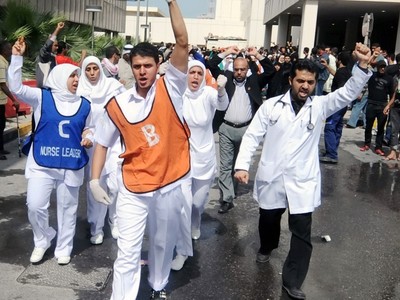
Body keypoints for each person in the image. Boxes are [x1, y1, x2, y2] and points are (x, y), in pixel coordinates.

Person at [234, 43, 372, 300]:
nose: (305, 86)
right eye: (300, 81)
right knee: (269, 222)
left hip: (302, 183)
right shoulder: (272, 106)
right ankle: (267, 245)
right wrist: (242, 165)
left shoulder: (319, 105)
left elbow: (347, 93)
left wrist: (362, 66)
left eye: (310, 82)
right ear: (291, 80)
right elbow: (253, 136)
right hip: (273, 178)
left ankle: (292, 281)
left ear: (315, 83)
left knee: (302, 234)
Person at [89, 0, 189, 298]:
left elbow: (182, 41)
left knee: (161, 244)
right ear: (130, 68)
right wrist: (94, 180)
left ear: (159, 66)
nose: (143, 71)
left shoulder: (172, 87)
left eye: (148, 65)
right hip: (133, 188)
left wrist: (171, 2)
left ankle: (158, 286)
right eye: (137, 66)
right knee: (127, 252)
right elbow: (103, 143)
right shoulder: (118, 103)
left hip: (169, 184)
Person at [8, 37, 94, 265]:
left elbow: (91, 128)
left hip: (71, 164)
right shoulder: (41, 97)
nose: (76, 79)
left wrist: (89, 137)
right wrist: (17, 58)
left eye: (78, 75)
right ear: (59, 77)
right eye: (72, 75)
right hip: (42, 163)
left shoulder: (85, 104)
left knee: (67, 209)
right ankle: (43, 238)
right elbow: (15, 88)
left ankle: (64, 248)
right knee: (35, 205)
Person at [170, 60, 229, 271]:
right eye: (191, 73)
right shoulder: (179, 95)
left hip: (204, 159)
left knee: (197, 203)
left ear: (203, 76)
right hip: (182, 159)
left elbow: (222, 105)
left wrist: (221, 90)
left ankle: (196, 223)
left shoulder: (208, 95)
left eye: (198, 73)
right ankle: (182, 251)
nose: (194, 77)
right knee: (183, 206)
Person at [208, 45, 275, 214]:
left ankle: (233, 187)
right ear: (233, 69)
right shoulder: (226, 78)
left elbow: (270, 70)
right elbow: (211, 65)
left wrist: (257, 55)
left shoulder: (254, 81)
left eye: (242, 70)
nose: (239, 73)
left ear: (247, 70)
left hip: (246, 130)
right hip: (226, 128)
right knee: (225, 165)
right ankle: (226, 198)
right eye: (236, 69)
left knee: (238, 164)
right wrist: (227, 52)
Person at [76, 56, 125, 244]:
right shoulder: (79, 90)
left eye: (95, 69)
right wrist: (85, 134)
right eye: (87, 70)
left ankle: (115, 221)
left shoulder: (113, 87)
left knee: (116, 184)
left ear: (100, 69)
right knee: (96, 186)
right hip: (92, 143)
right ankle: (96, 227)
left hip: (113, 142)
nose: (92, 73)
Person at [320, 51, 352, 164]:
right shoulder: (346, 71)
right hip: (343, 105)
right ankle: (332, 149)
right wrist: (327, 66)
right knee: (337, 127)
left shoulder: (342, 73)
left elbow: (341, 85)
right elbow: (337, 75)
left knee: (330, 127)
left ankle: (331, 154)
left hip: (337, 104)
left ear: (339, 60)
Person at [360, 60, 394, 156]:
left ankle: (378, 147)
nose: (382, 68)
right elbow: (364, 68)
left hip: (382, 106)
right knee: (368, 126)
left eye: (384, 67)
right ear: (378, 67)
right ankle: (367, 144)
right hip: (371, 104)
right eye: (381, 67)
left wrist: (388, 106)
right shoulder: (372, 75)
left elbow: (392, 94)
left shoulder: (389, 79)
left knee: (380, 128)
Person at [0, 40, 20, 160]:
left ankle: (1, 148)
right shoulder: (1, 63)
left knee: (1, 125)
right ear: (3, 50)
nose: (10, 50)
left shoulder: (4, 62)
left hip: (1, 101)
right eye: (8, 48)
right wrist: (14, 100)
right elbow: (2, 84)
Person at [36, 22, 64, 88]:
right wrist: (57, 29)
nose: (57, 48)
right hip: (44, 90)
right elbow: (47, 46)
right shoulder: (43, 56)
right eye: (55, 45)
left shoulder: (53, 57)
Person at [383, 72, 400, 160]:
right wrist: (388, 105)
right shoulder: (397, 78)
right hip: (396, 107)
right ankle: (393, 152)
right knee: (394, 130)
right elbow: (394, 94)